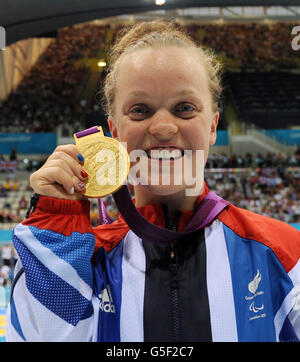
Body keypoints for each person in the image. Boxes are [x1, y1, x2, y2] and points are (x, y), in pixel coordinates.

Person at [6, 20, 300, 342]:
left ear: (213, 126)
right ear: (114, 132)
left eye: (184, 108)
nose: (162, 127)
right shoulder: (85, 260)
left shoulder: (283, 255)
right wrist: (55, 227)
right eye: (140, 110)